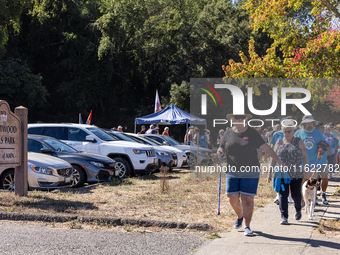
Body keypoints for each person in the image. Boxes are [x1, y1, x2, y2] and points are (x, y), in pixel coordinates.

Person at [218, 114, 284, 236]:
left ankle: (247, 226)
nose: (239, 119)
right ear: (232, 120)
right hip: (232, 170)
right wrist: (220, 151)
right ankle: (240, 215)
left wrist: (278, 160)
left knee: (247, 199)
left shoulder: (253, 133)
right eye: (236, 117)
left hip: (251, 169)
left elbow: (267, 148)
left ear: (246, 120)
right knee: (231, 197)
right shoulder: (228, 133)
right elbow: (222, 147)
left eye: (242, 117)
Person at [268, 120, 309, 224]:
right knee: (283, 194)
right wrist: (269, 173)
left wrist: (306, 169)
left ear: (293, 131)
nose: (287, 134)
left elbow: (305, 156)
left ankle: (298, 209)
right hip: (282, 174)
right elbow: (273, 158)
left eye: (289, 131)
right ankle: (284, 216)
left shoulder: (299, 141)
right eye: (285, 131)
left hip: (297, 173)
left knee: (296, 194)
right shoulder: (279, 142)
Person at [294, 115, 329, 205]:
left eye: (311, 123)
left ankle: (319, 196)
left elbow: (324, 143)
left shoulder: (318, 133)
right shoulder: (298, 133)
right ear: (304, 124)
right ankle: (307, 199)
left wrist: (321, 148)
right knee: (307, 181)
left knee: (320, 178)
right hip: (305, 161)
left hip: (320, 160)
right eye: (308, 123)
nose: (310, 125)